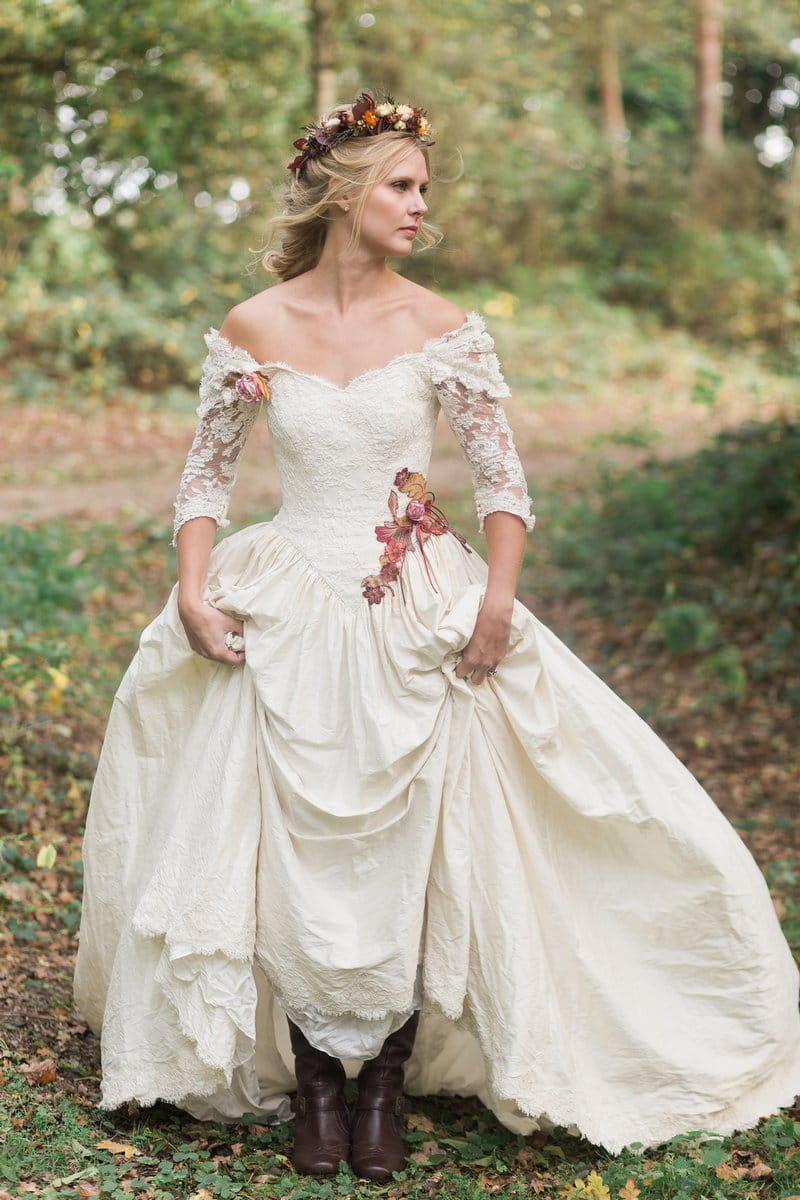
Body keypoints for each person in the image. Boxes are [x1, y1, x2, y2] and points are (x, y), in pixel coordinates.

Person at [73, 91, 800, 1182]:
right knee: (286, 838)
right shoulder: (253, 326)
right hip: (284, 593)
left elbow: (501, 479)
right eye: (402, 186)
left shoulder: (444, 328)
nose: (420, 206)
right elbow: (204, 478)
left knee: (417, 827)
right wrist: (190, 590)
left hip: (412, 595)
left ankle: (382, 1089)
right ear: (343, 190)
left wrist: (496, 601)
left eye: (421, 188)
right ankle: (316, 1083)